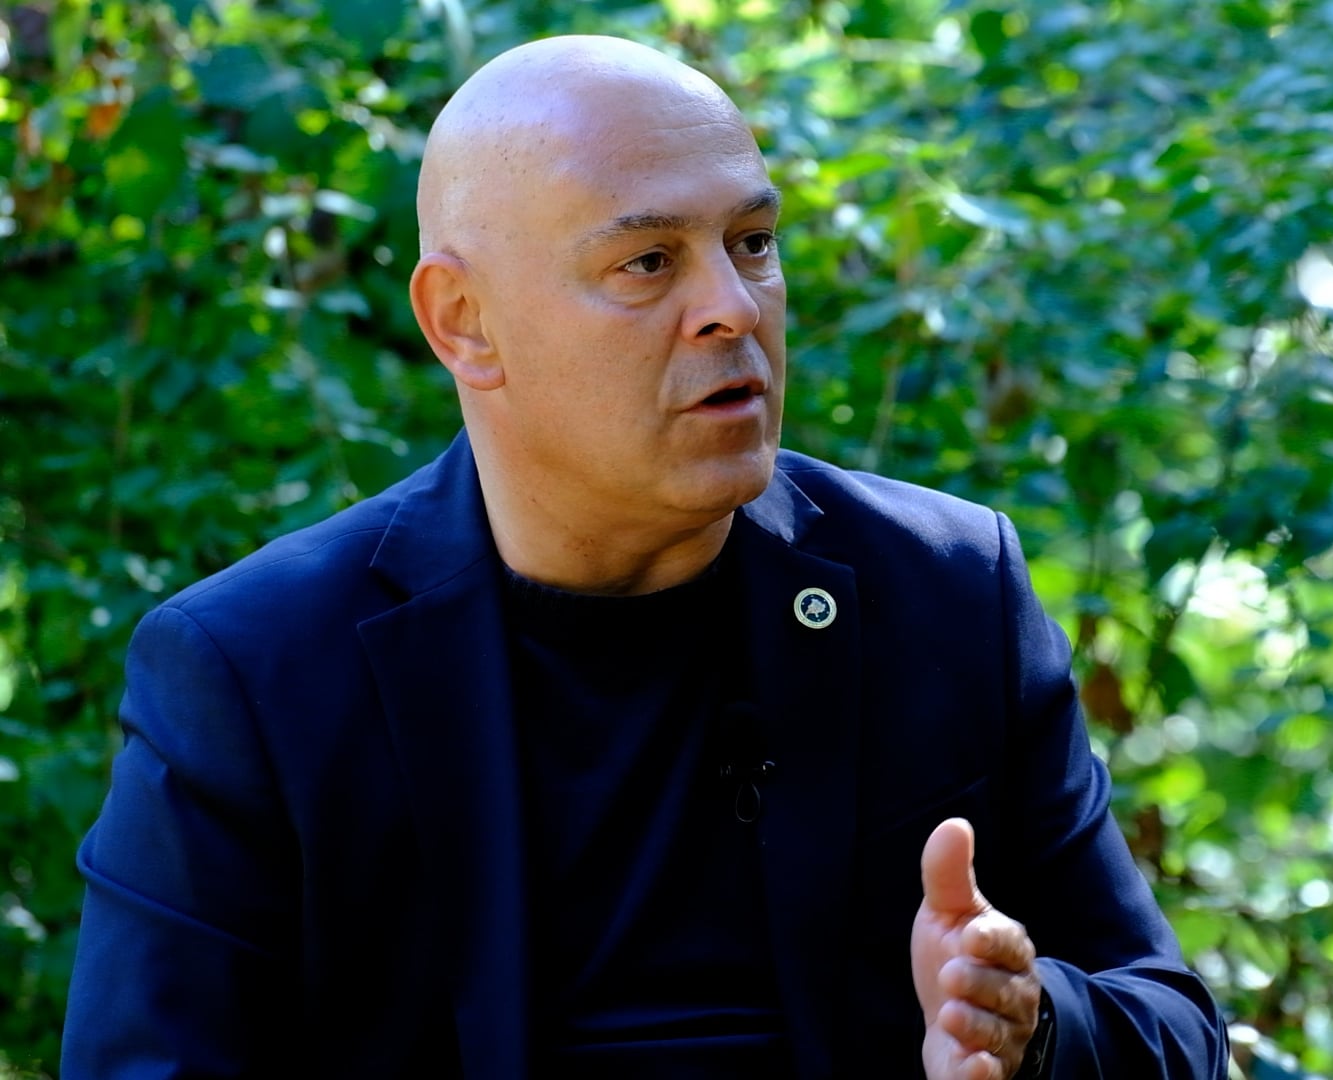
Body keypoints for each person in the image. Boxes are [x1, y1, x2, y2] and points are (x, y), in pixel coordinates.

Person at [61, 35, 1227, 1080]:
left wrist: (1034, 1029)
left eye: (752, 244)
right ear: (464, 321)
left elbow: (1174, 1029)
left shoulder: (946, 591)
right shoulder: (257, 673)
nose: (733, 308)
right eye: (648, 263)